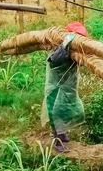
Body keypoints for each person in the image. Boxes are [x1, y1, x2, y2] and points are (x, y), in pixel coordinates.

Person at [42, 21, 88, 153]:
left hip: (67, 86)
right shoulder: (59, 47)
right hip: (55, 86)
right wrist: (65, 46)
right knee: (56, 112)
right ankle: (57, 140)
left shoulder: (75, 49)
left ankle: (62, 134)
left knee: (69, 109)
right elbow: (53, 61)